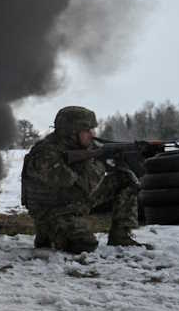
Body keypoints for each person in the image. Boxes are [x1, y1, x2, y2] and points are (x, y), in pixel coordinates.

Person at [21, 106, 142, 252]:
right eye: (87, 131)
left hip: (72, 202)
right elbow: (82, 186)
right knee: (84, 245)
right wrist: (99, 162)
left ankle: (121, 236)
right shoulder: (45, 153)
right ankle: (48, 233)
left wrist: (121, 160)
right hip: (51, 212)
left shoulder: (82, 147)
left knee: (125, 179)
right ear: (72, 132)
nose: (92, 135)